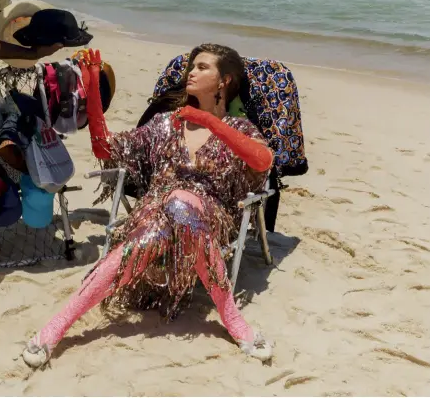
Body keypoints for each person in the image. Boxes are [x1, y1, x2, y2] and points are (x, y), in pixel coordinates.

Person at [23, 44, 275, 368]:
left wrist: (208, 122)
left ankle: (55, 328)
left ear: (225, 81)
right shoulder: (166, 124)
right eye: (191, 67)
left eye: (202, 67)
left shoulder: (239, 130)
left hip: (209, 221)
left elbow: (263, 160)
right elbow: (105, 146)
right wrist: (93, 86)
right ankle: (58, 325)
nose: (191, 72)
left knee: (181, 204)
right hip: (157, 215)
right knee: (160, 220)